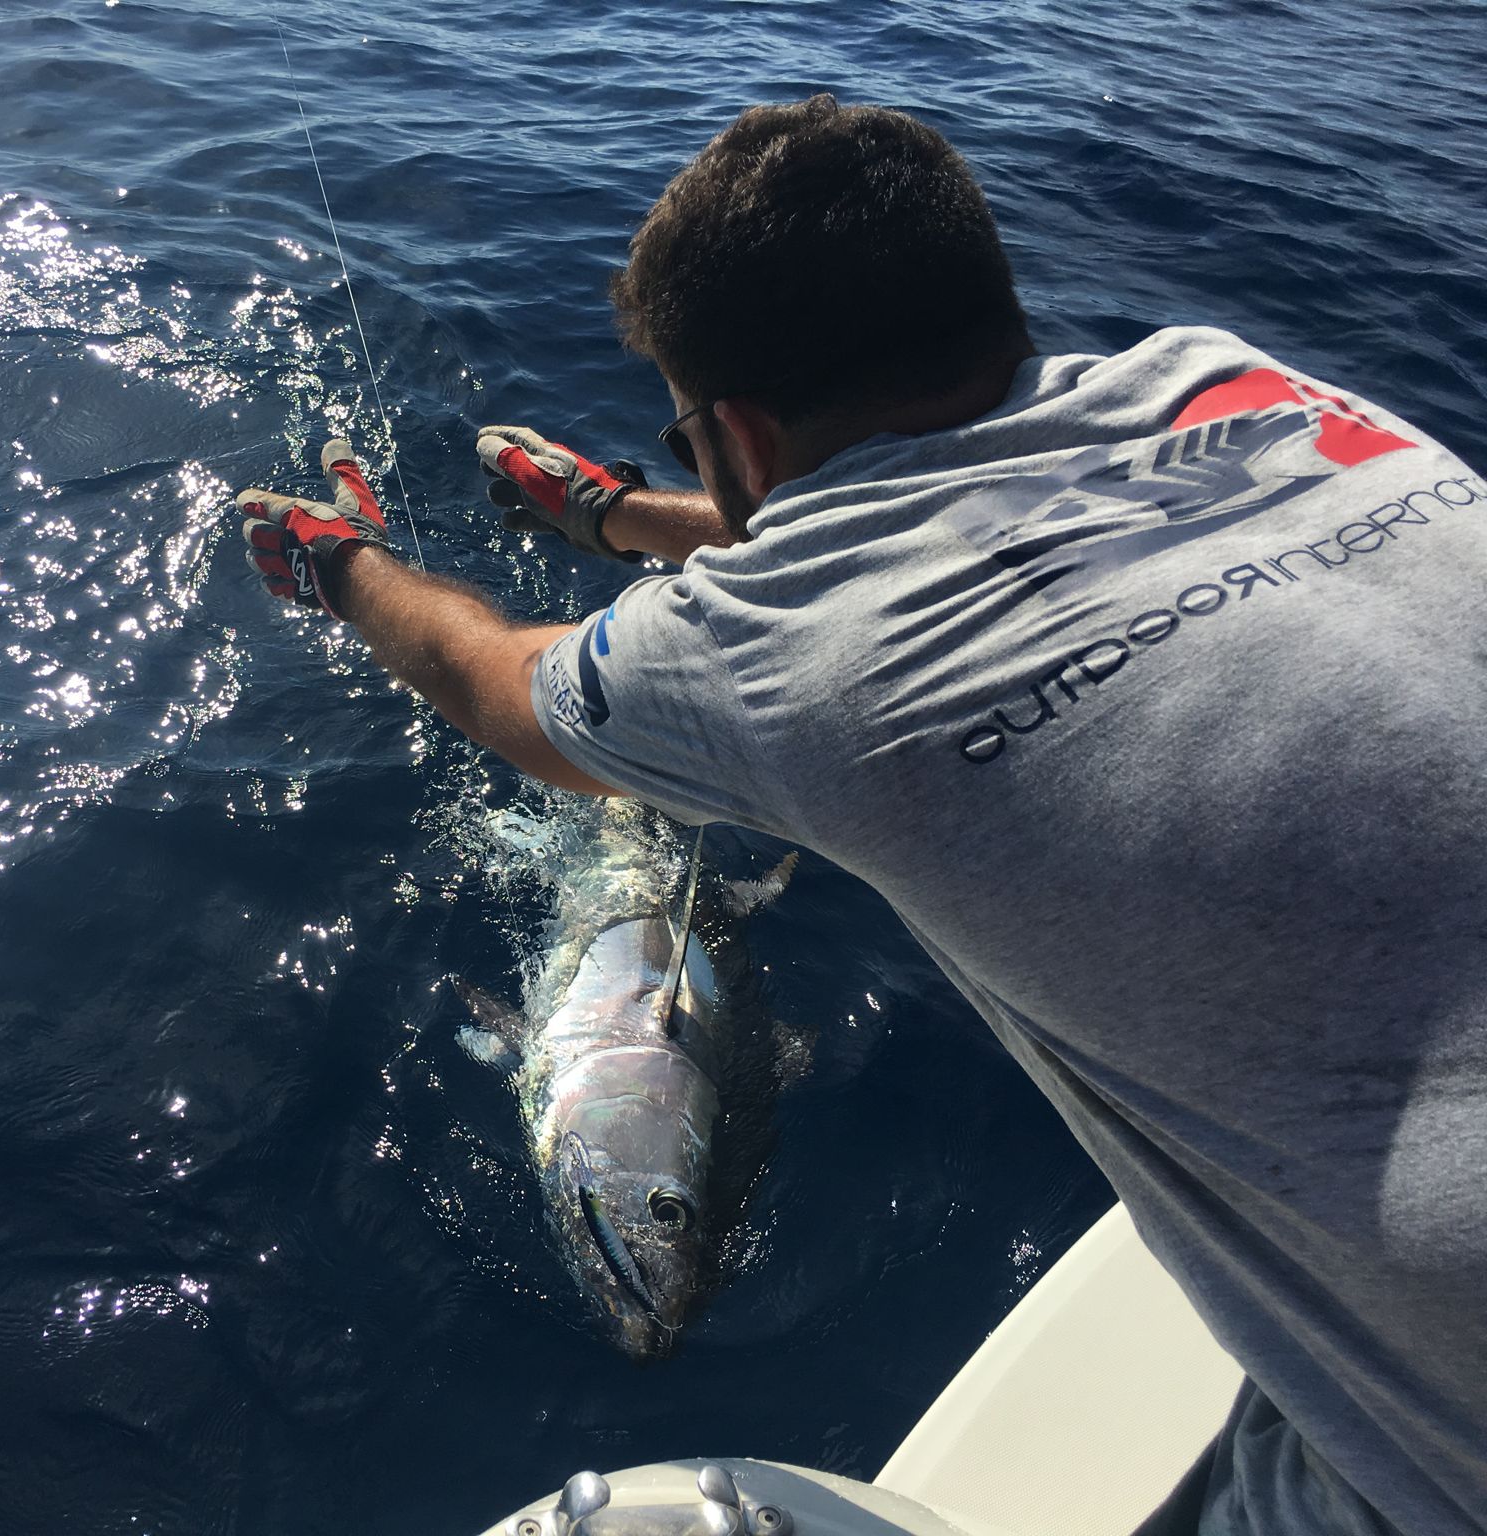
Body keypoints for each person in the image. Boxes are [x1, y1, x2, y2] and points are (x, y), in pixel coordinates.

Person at [232, 95, 1487, 1536]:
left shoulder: (787, 664)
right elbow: (982, 535)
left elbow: (487, 678)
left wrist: (342, 566)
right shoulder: (1246, 395)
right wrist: (615, 515)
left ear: (740, 436)